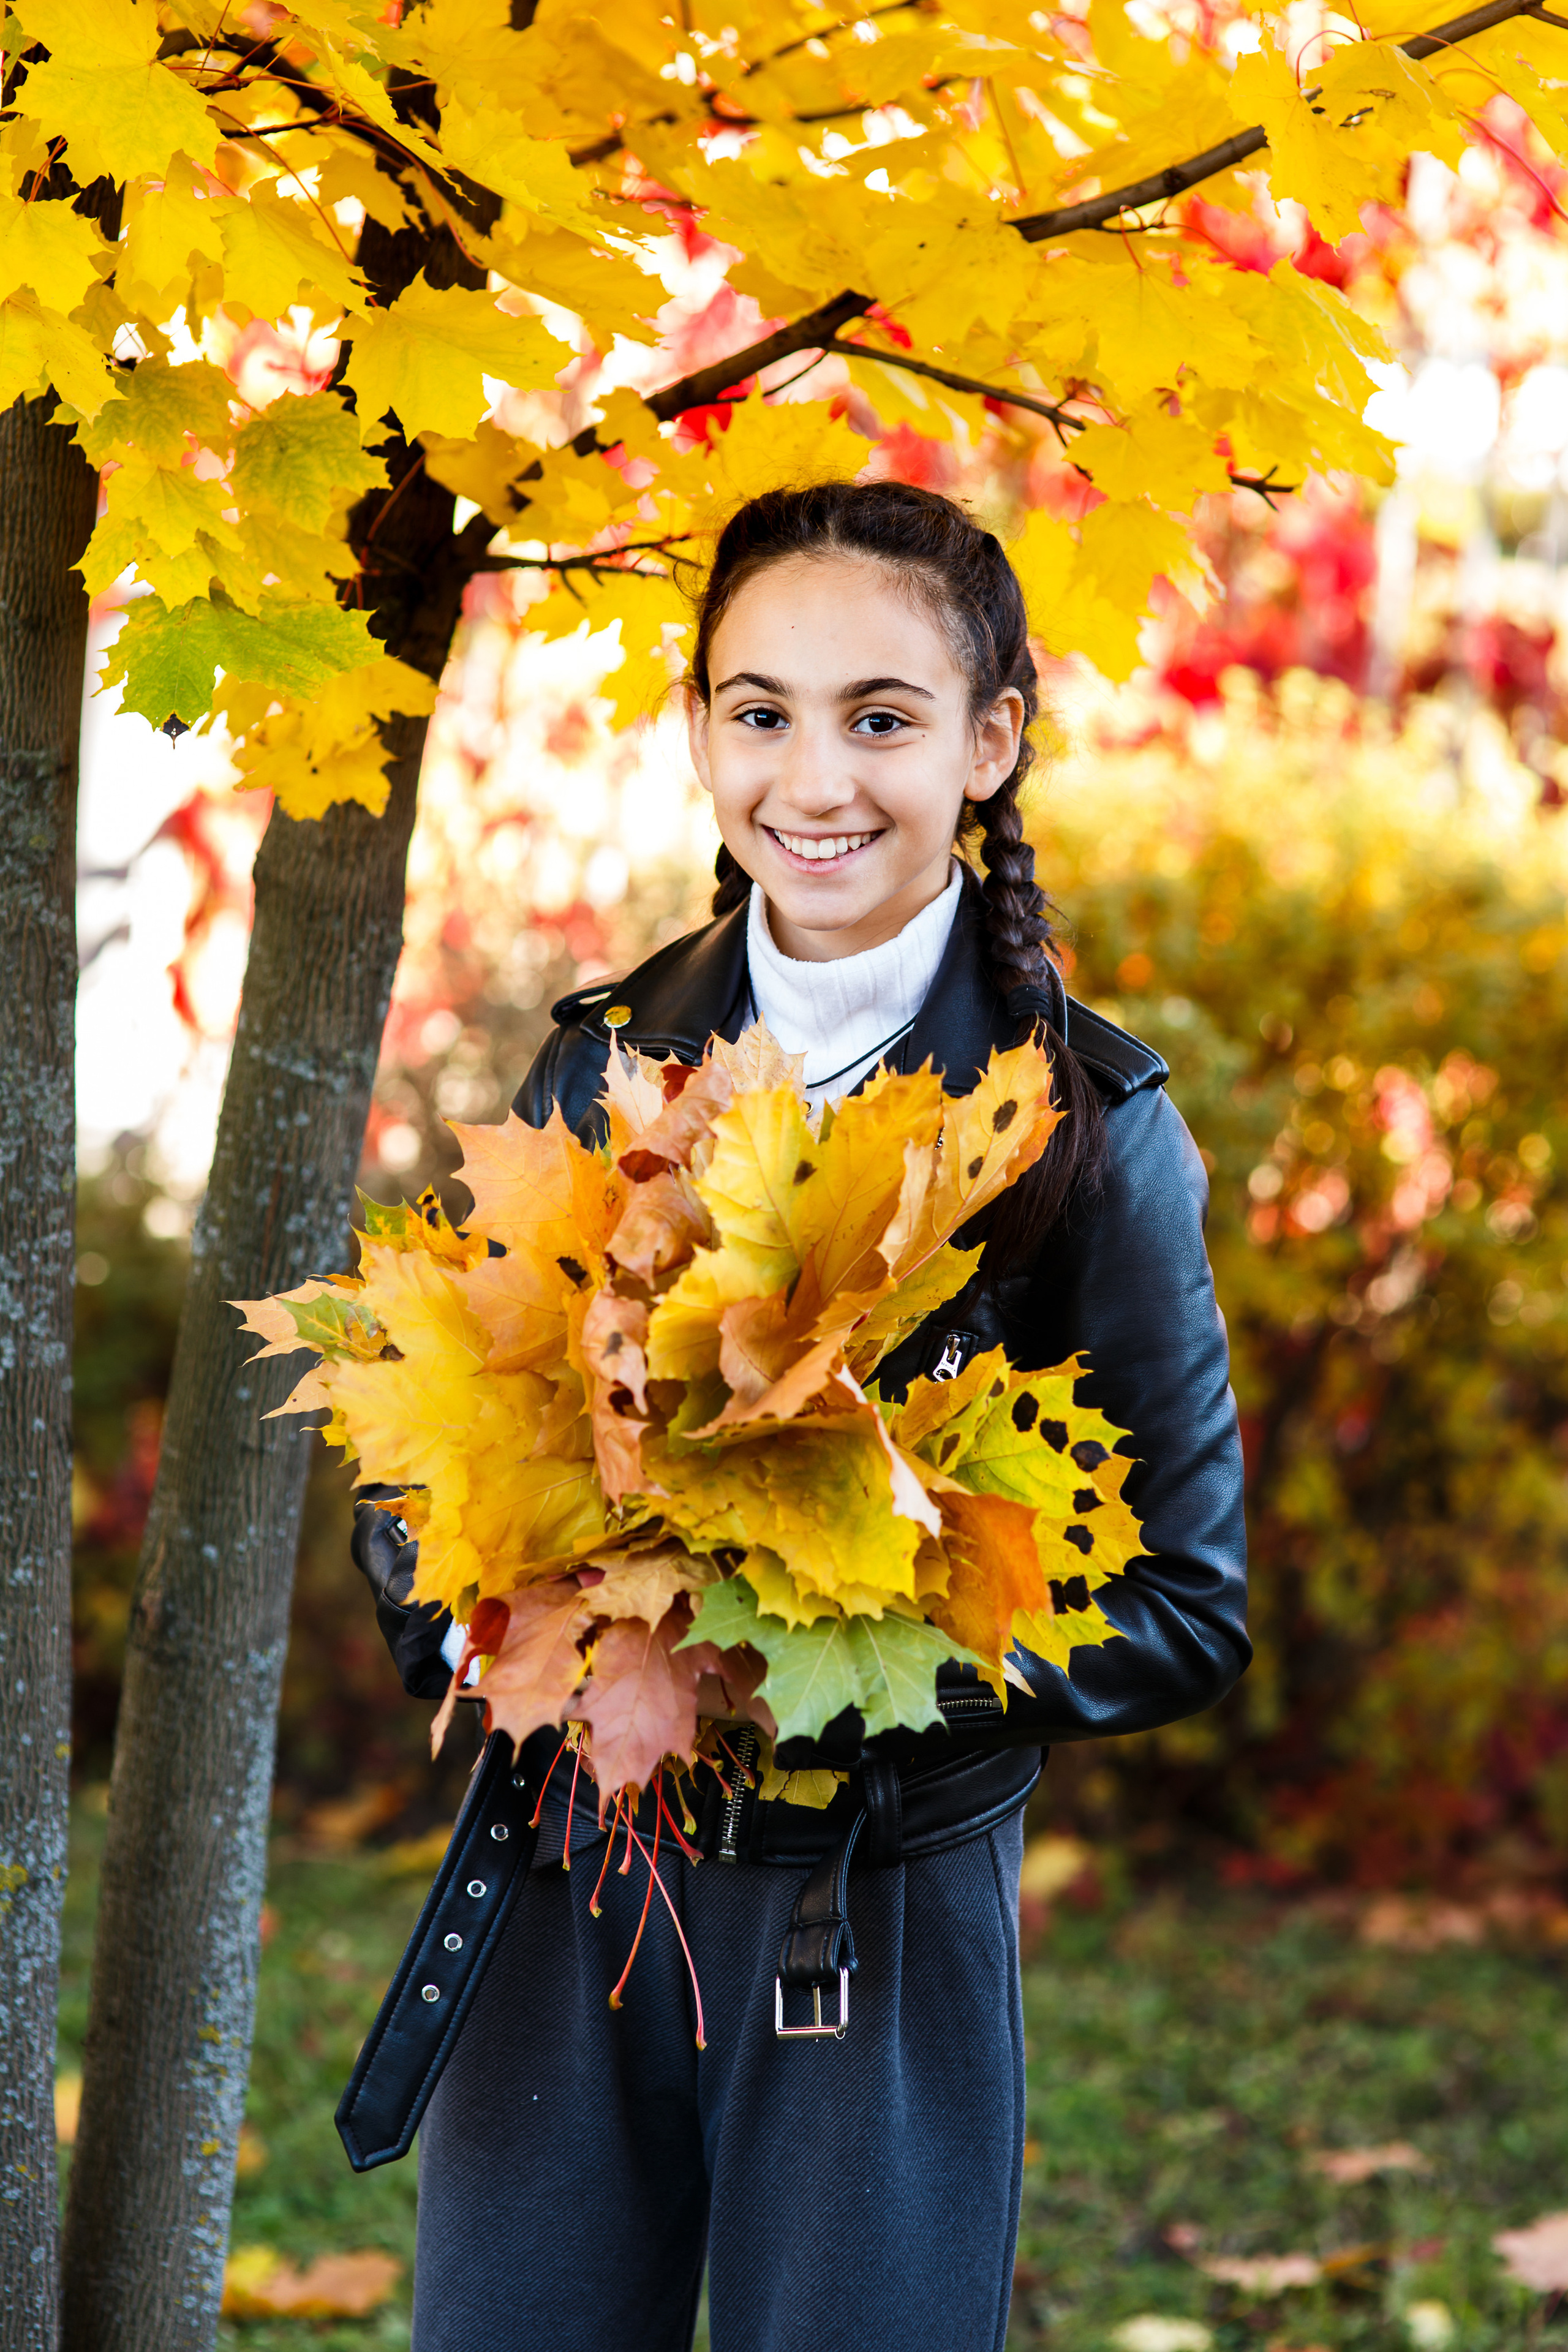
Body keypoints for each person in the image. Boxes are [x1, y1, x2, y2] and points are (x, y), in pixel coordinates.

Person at [351, 480, 1249, 2352]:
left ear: (991, 744)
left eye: (882, 718)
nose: (812, 776)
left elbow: (1187, 1607)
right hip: (564, 1873)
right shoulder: (605, 1059)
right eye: (758, 711)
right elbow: (423, 1471)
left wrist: (823, 1649)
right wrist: (486, 1608)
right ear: (696, 731)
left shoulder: (1084, 1127)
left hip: (875, 1913)